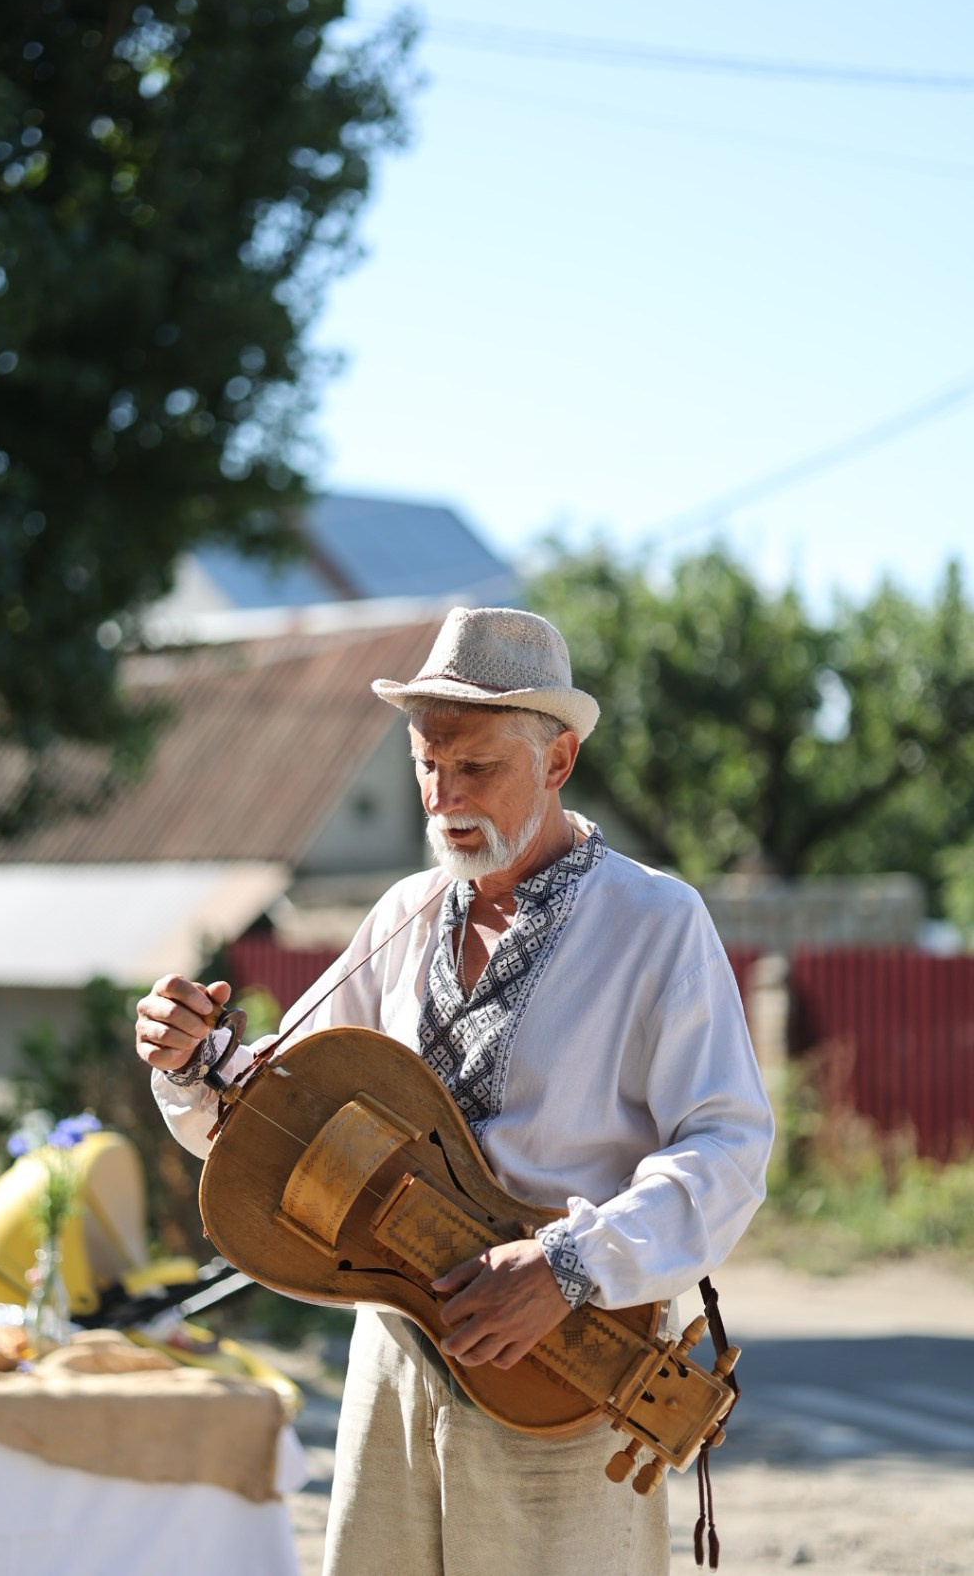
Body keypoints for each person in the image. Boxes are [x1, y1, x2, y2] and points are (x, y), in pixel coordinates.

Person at [135, 605, 774, 1576]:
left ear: (557, 763)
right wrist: (194, 1065)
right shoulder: (403, 911)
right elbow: (280, 1109)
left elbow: (727, 1149)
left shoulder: (654, 922)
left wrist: (567, 1265)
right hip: (393, 1362)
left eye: (476, 767)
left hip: (563, 1366)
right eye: (427, 765)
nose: (443, 796)